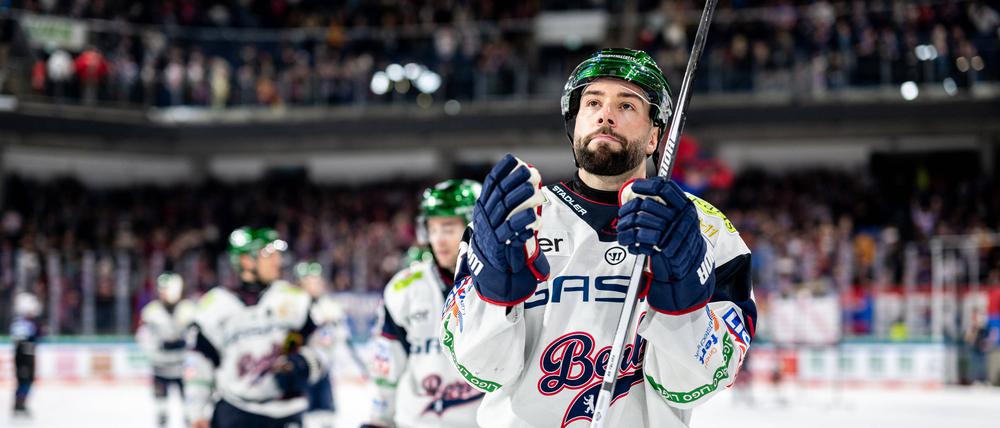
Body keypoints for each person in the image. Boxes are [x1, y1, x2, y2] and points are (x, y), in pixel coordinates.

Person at [440, 48, 757, 427]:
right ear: (573, 124)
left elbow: (695, 386)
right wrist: (494, 291)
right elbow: (480, 369)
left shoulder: (706, 231)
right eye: (592, 102)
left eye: (627, 106)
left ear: (655, 136)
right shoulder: (516, 217)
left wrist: (682, 300)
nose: (606, 114)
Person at [184, 227, 335, 428]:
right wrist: (197, 413)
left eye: (277, 254)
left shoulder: (294, 299)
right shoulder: (214, 306)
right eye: (268, 254)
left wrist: (304, 363)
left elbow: (323, 344)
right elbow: (199, 363)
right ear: (246, 260)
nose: (277, 261)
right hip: (236, 410)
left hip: (286, 411)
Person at [364, 179, 485, 428]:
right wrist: (379, 419)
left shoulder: (505, 285)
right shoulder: (404, 288)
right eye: (433, 229)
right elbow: (388, 366)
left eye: (449, 228)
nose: (438, 239)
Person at [136, 272, 196, 427]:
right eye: (161, 289)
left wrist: (184, 344)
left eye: (166, 288)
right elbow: (143, 337)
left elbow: (195, 337)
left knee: (189, 410)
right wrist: (156, 348)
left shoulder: (189, 309)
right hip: (160, 368)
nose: (163, 292)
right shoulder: (151, 311)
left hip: (182, 368)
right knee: (161, 412)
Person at [295, 261, 349, 428]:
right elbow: (288, 341)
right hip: (302, 372)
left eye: (317, 279)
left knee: (326, 416)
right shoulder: (293, 307)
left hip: (324, 370)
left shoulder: (329, 306)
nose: (316, 283)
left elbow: (339, 336)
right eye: (311, 279)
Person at [11, 292, 41, 418]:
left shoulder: (23, 323)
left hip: (26, 356)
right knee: (24, 381)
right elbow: (29, 340)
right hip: (24, 357)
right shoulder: (23, 324)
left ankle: (20, 404)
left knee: (26, 381)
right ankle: (19, 404)